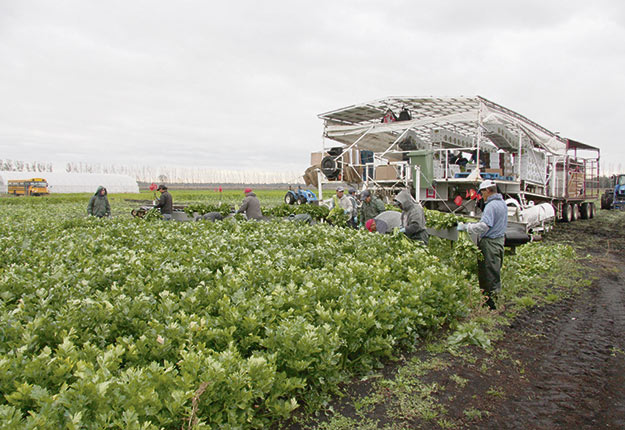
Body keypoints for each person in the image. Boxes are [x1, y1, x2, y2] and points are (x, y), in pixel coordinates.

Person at [457, 180, 508, 310]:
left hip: (490, 243)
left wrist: (467, 227)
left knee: (488, 273)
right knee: (494, 271)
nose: (481, 195)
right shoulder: (502, 203)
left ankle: (491, 305)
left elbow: (485, 226)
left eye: (482, 192)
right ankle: (494, 299)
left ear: (488, 191)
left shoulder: (491, 206)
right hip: (499, 241)